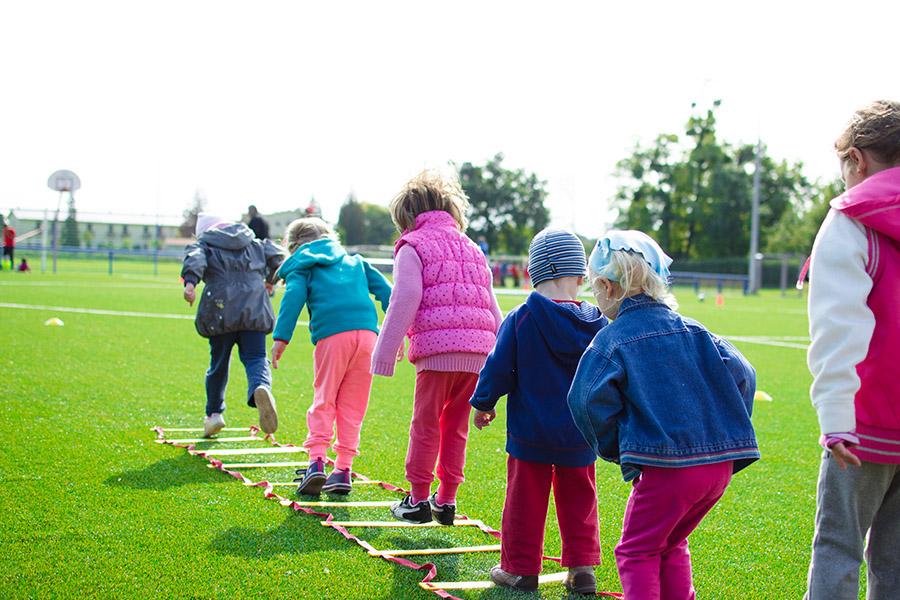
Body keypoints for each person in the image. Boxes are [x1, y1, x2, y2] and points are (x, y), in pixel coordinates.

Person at [568, 230, 759, 600]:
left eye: (594, 288)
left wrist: (615, 447)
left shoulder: (611, 339)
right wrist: (724, 427)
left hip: (667, 470)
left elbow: (585, 400)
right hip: (717, 469)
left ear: (608, 286)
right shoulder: (697, 330)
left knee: (636, 550)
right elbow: (744, 373)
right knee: (671, 542)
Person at [470, 228, 607, 595]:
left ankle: (520, 569)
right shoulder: (600, 323)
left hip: (530, 433)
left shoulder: (521, 317)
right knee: (580, 500)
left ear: (532, 273)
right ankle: (582, 569)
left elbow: (498, 367)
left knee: (524, 501)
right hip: (581, 434)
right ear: (580, 276)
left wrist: (483, 403)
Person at [804, 99, 900, 600]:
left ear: (857, 161)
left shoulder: (851, 221)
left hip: (863, 426)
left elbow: (839, 327)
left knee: (839, 548)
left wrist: (836, 417)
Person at [371, 168, 502, 525]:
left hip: (437, 351)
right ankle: (446, 500)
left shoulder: (412, 245)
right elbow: (492, 305)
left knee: (425, 424)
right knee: (455, 426)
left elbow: (406, 296)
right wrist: (503, 360)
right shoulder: (473, 247)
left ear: (407, 217)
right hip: (479, 354)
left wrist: (385, 351)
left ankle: (416, 500)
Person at [271, 217, 391, 496]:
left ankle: (316, 463)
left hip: (333, 336)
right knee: (353, 405)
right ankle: (343, 470)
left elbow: (294, 296)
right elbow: (389, 293)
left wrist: (281, 337)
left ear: (293, 247)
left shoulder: (303, 265)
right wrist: (398, 332)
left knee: (325, 398)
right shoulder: (356, 262)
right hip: (368, 337)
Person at [182, 213, 285, 438]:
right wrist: (270, 280)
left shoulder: (205, 243)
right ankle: (262, 387)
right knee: (257, 357)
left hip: (220, 309)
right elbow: (278, 257)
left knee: (219, 362)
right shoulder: (253, 241)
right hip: (255, 307)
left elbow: (195, 258)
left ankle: (214, 414)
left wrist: (190, 283)